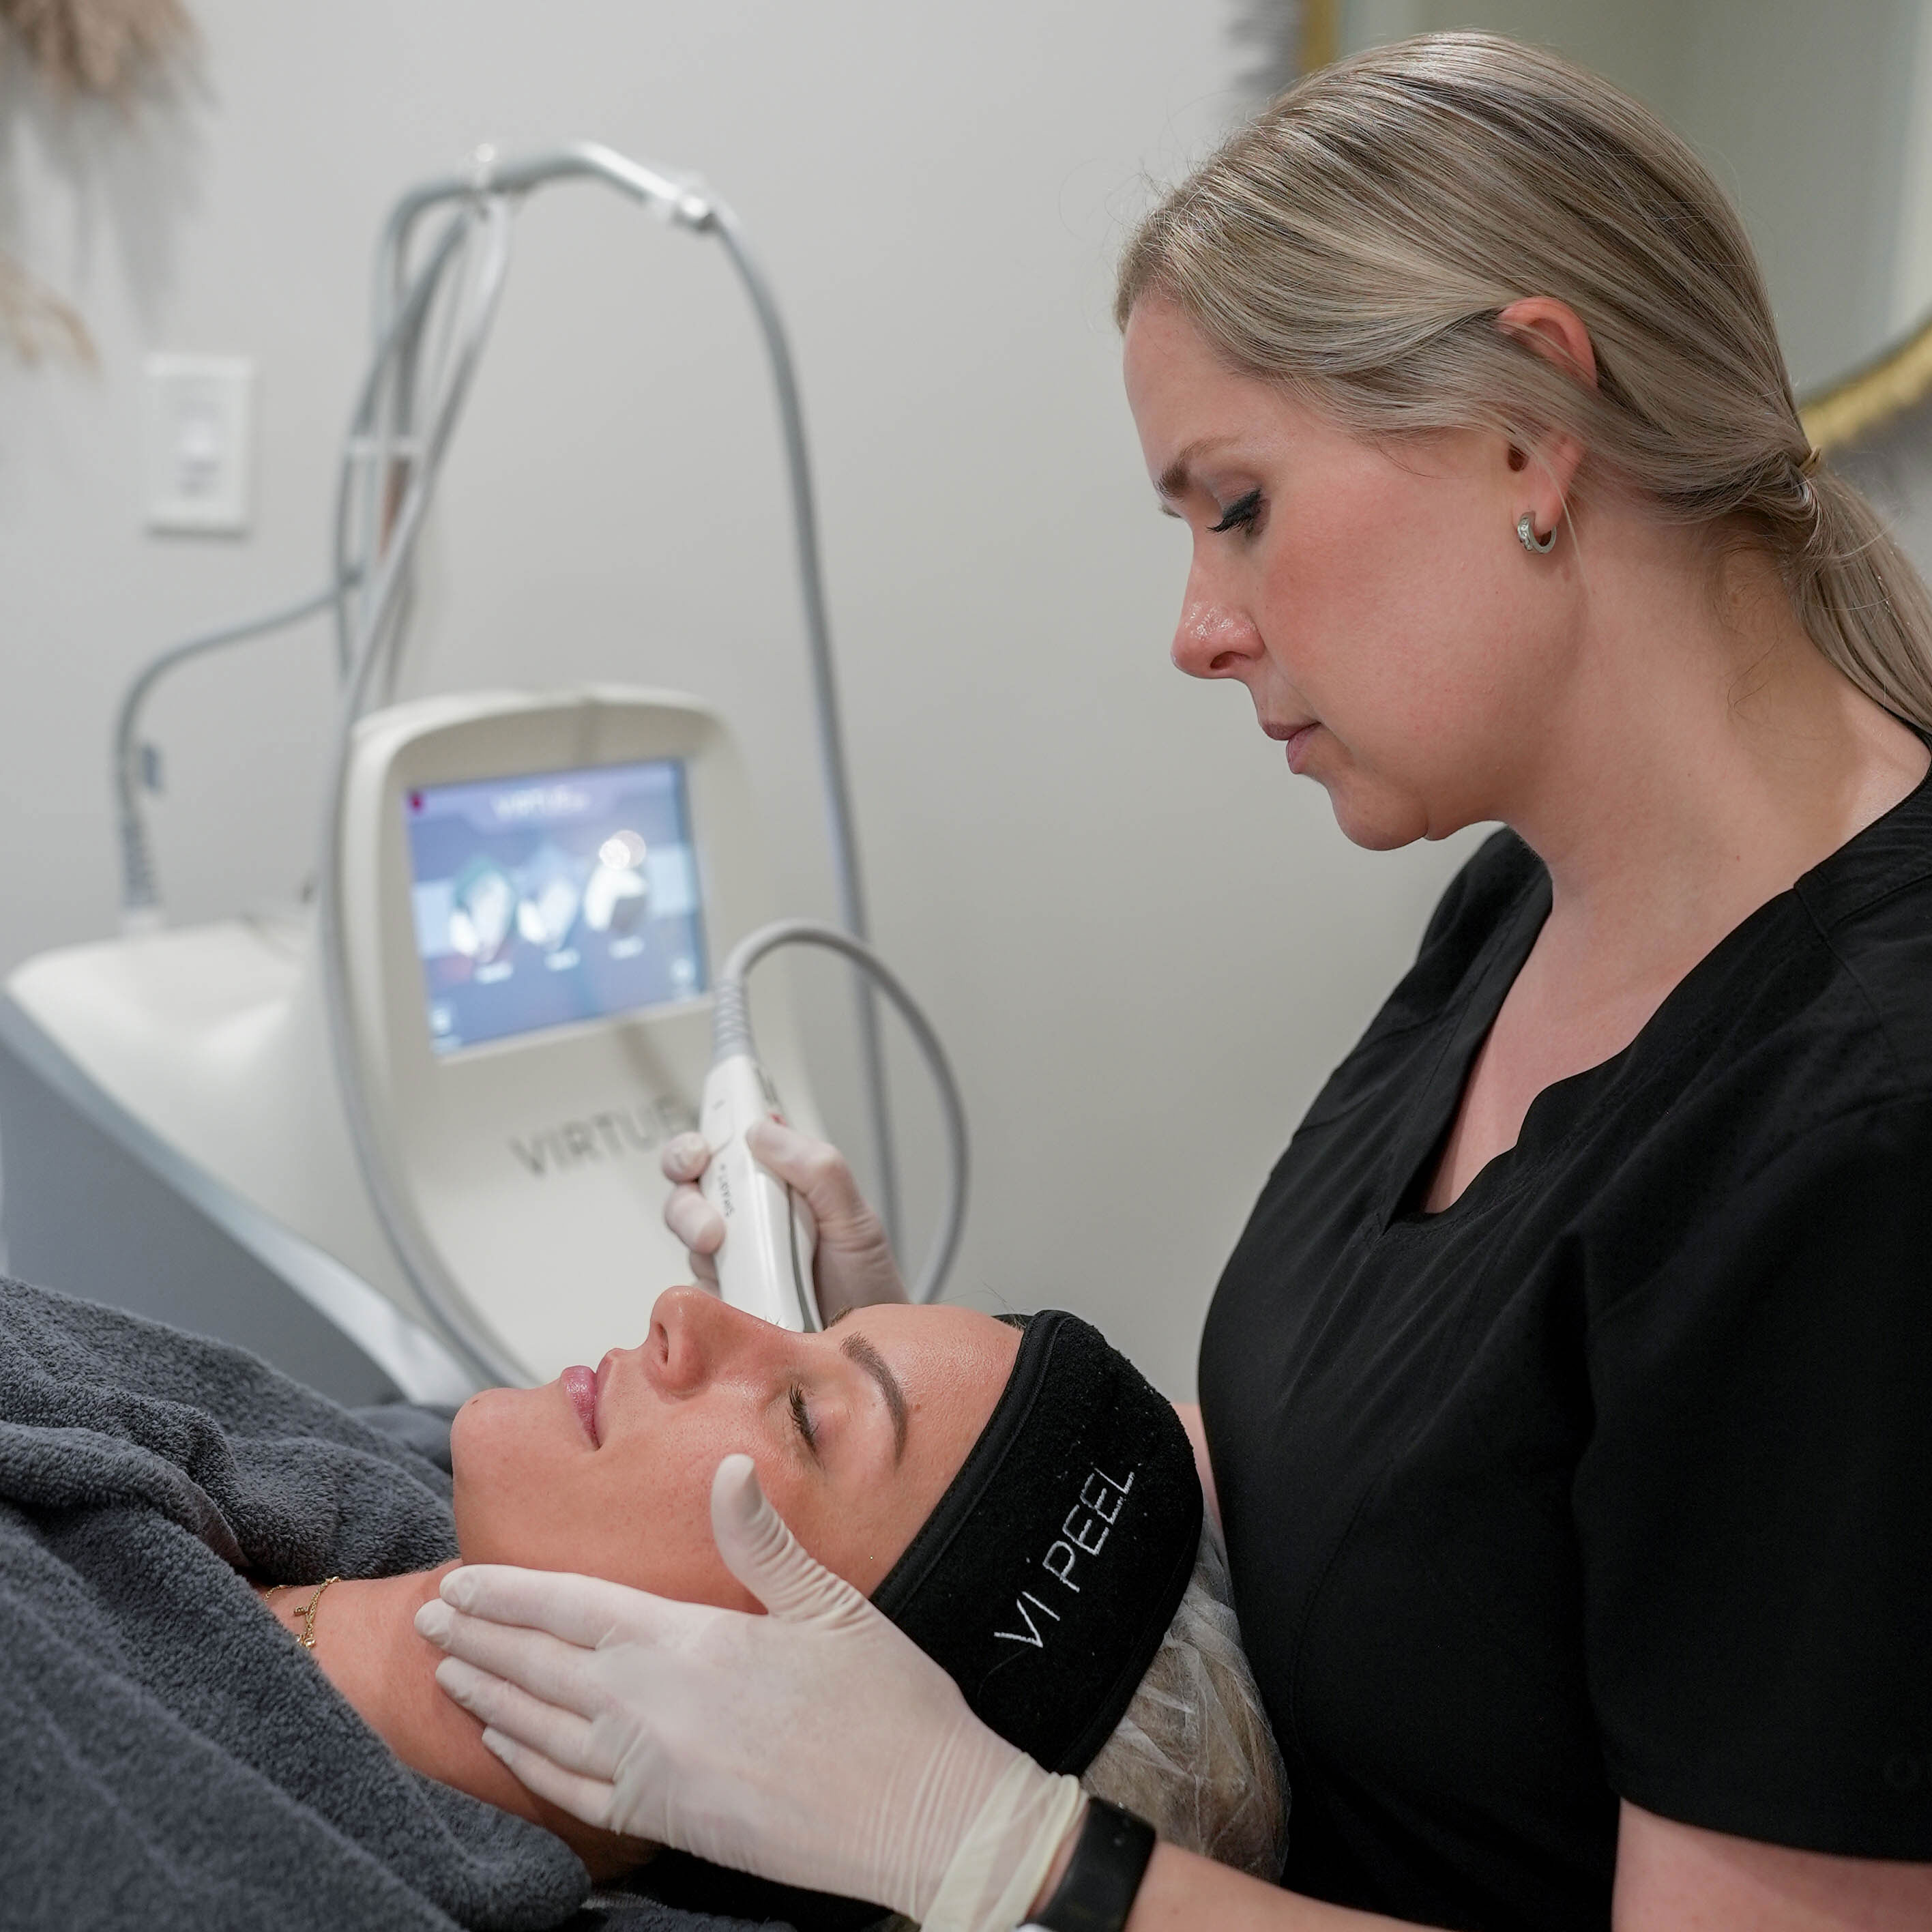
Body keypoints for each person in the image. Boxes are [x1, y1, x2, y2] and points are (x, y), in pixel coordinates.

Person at [416, 32, 1932, 1932]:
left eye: (1238, 508)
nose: (1201, 633)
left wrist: (996, 1851)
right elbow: (1409, 1522)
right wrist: (916, 1406)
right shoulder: (1524, 907)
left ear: (1536, 427)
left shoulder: (1862, 1139)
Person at [0, 1270, 1281, 1928]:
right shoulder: (356, 1476)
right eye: (821, 1326)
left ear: (804, 1722)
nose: (686, 1313)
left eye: (805, 1416)